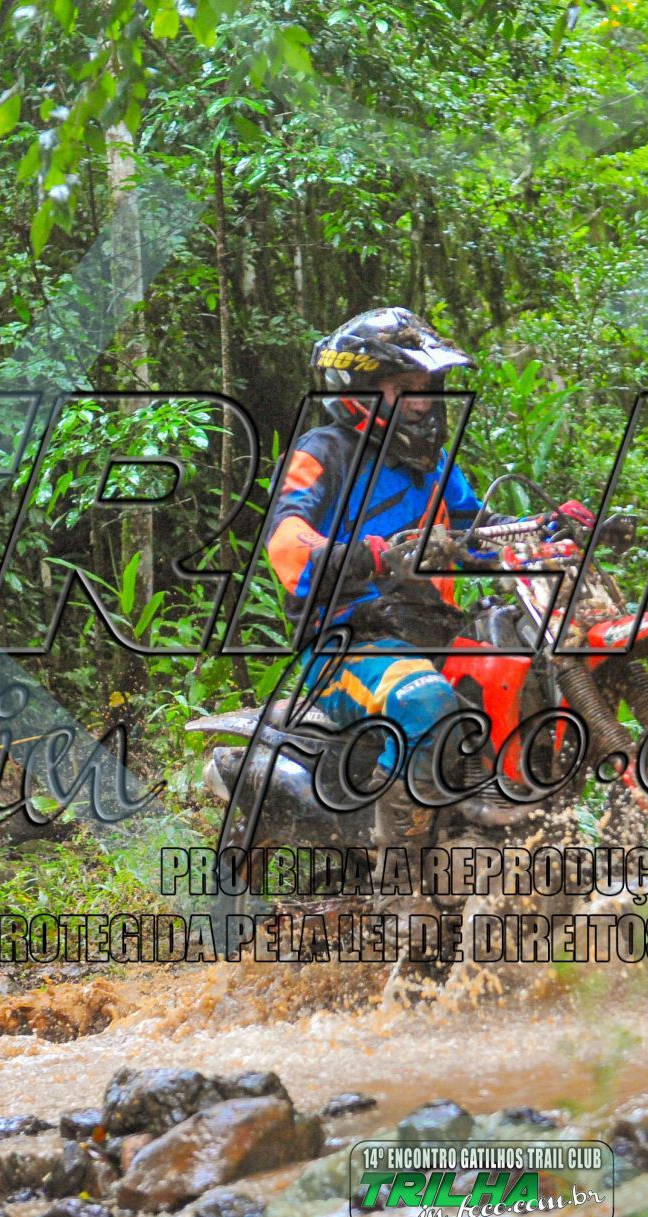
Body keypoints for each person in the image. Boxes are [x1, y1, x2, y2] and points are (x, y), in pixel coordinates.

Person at [263, 307, 493, 846]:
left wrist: (546, 527)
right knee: (425, 704)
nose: (421, 402)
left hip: (432, 630)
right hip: (347, 639)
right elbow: (285, 541)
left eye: (426, 388)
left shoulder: (433, 464)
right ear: (360, 392)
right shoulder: (320, 454)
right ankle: (400, 869)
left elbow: (475, 527)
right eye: (403, 388)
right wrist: (363, 555)